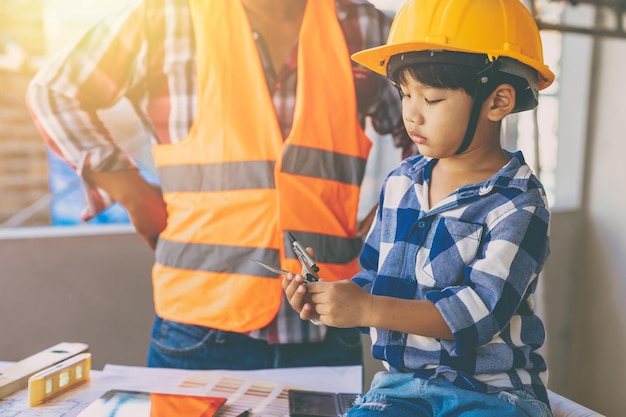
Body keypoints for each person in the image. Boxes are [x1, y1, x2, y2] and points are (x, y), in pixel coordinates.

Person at [27, 0, 411, 370]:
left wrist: (393, 214)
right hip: (199, 331)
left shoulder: (365, 27)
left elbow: (430, 128)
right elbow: (54, 92)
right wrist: (132, 192)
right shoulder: (162, 17)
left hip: (327, 323)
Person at [283, 0, 556, 415]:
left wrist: (369, 307)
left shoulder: (518, 203)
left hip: (493, 394)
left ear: (497, 101)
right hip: (399, 390)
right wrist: (332, 302)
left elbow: (477, 314)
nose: (411, 114)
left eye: (431, 99)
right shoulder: (400, 184)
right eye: (405, 93)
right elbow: (376, 283)